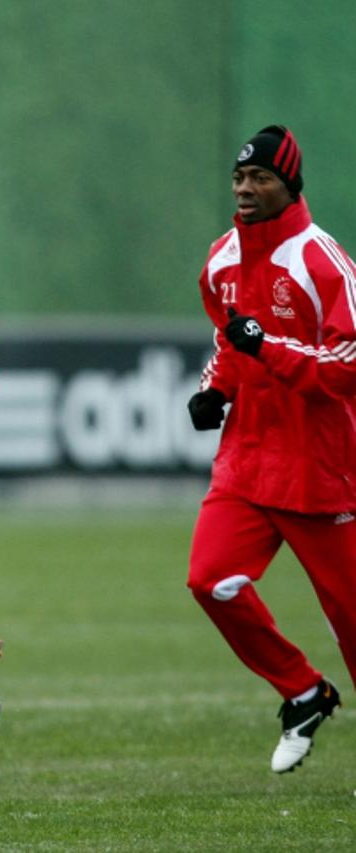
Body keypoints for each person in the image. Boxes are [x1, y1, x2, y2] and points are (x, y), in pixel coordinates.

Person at [186, 125, 356, 774]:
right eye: (238, 178)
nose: (244, 189)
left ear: (290, 183)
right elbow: (229, 341)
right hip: (246, 462)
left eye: (259, 178)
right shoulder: (221, 258)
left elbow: (345, 367)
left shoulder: (321, 261)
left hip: (318, 470)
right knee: (209, 581)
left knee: (350, 622)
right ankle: (302, 690)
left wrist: (268, 349)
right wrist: (215, 389)